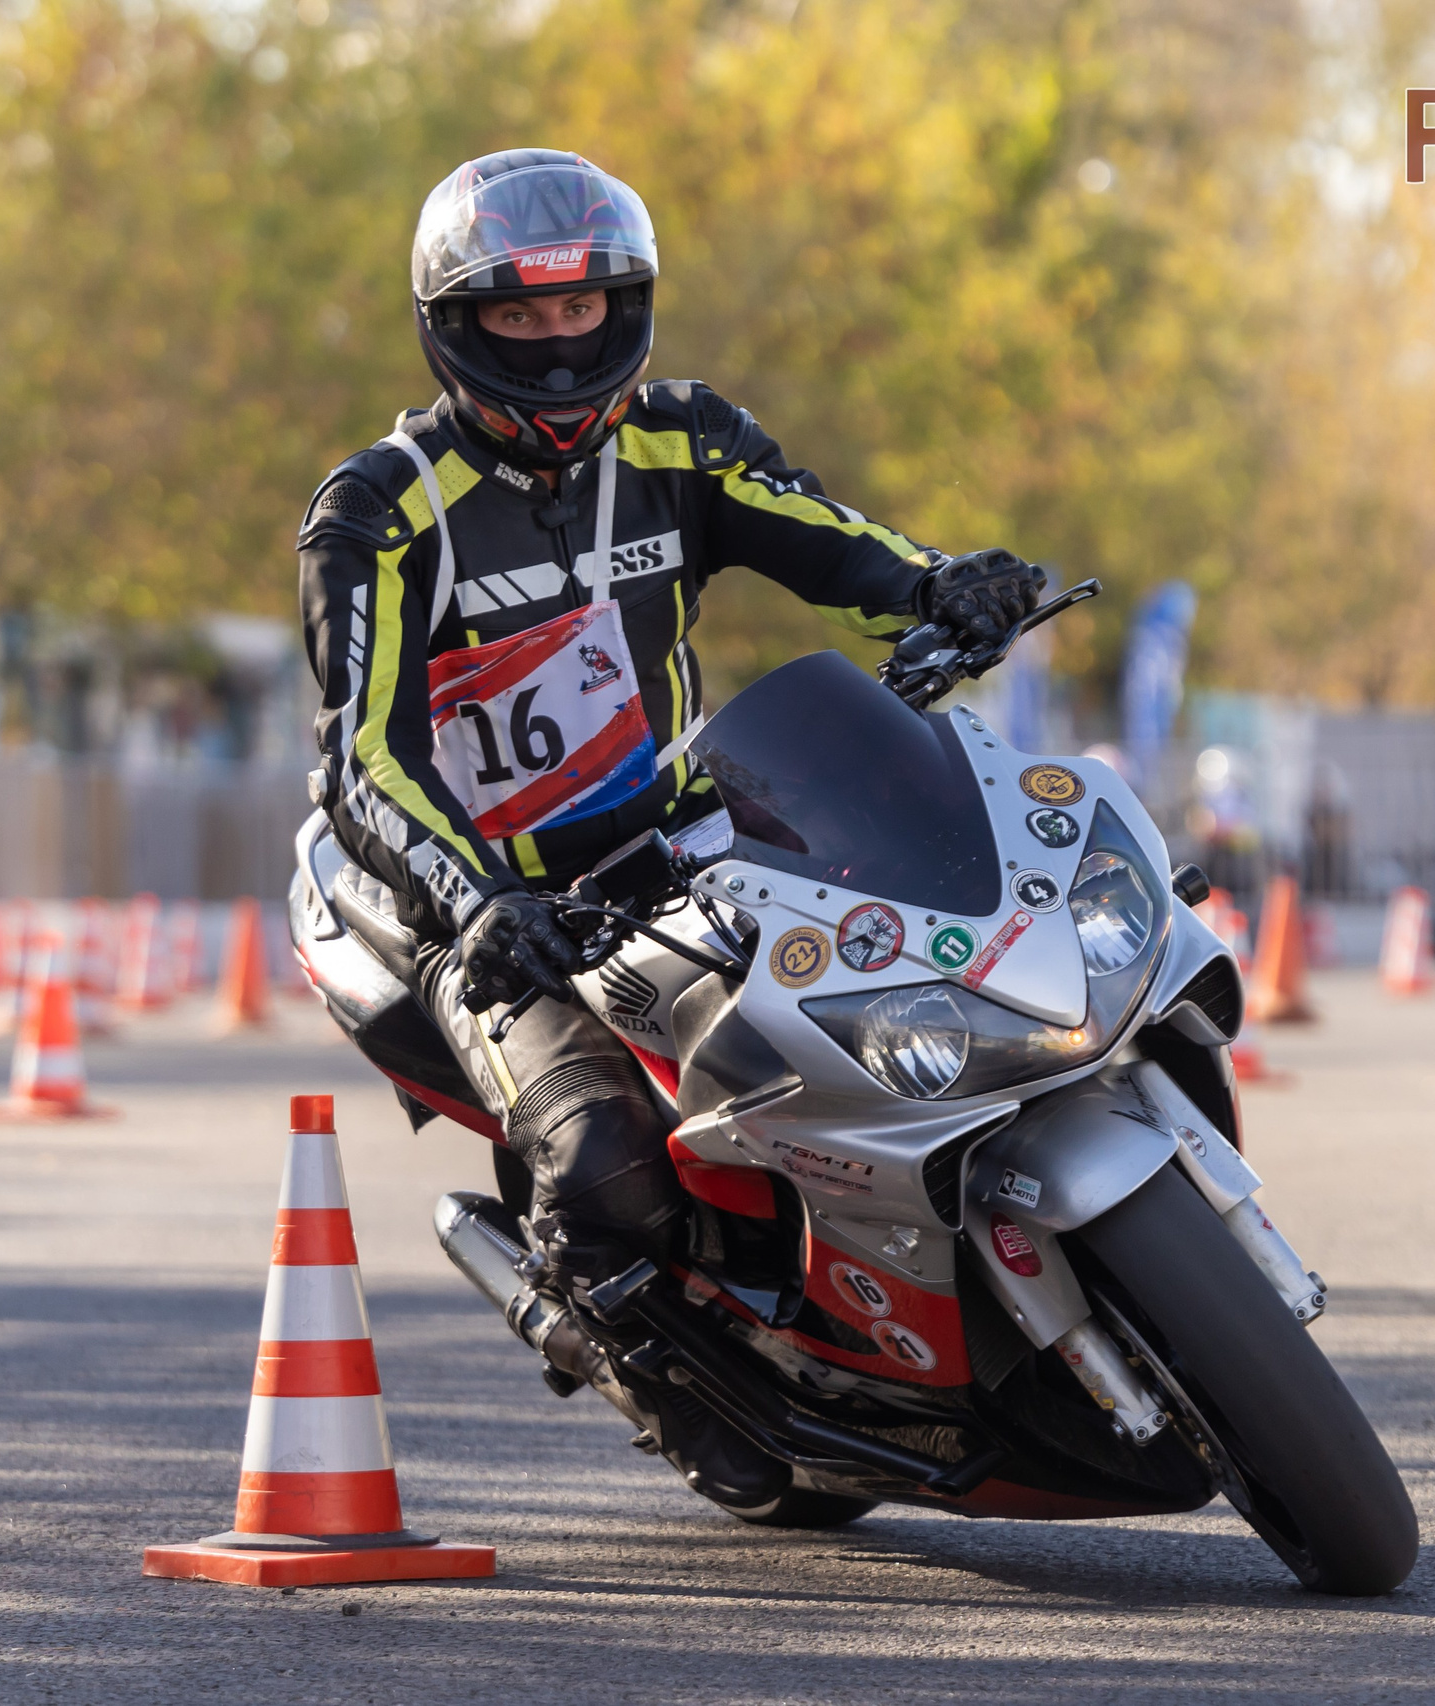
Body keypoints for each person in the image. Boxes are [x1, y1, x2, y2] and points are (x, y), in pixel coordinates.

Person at [298, 150, 1044, 1504]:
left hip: (691, 837)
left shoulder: (682, 438)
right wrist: (475, 903)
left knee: (921, 989)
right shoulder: (378, 512)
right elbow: (361, 756)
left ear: (623, 304)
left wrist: (943, 588)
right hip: (499, 908)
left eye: (579, 307)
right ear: (458, 324)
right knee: (606, 1166)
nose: (556, 340)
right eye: (518, 313)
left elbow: (838, 546)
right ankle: (634, 1355)